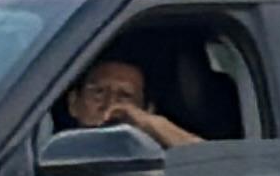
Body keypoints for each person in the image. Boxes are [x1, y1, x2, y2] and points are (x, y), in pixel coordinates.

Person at [63, 56, 200, 149]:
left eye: (125, 96)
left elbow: (213, 163)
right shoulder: (48, 157)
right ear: (73, 103)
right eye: (98, 92)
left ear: (147, 110)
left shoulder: (155, 162)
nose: (109, 106)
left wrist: (152, 124)